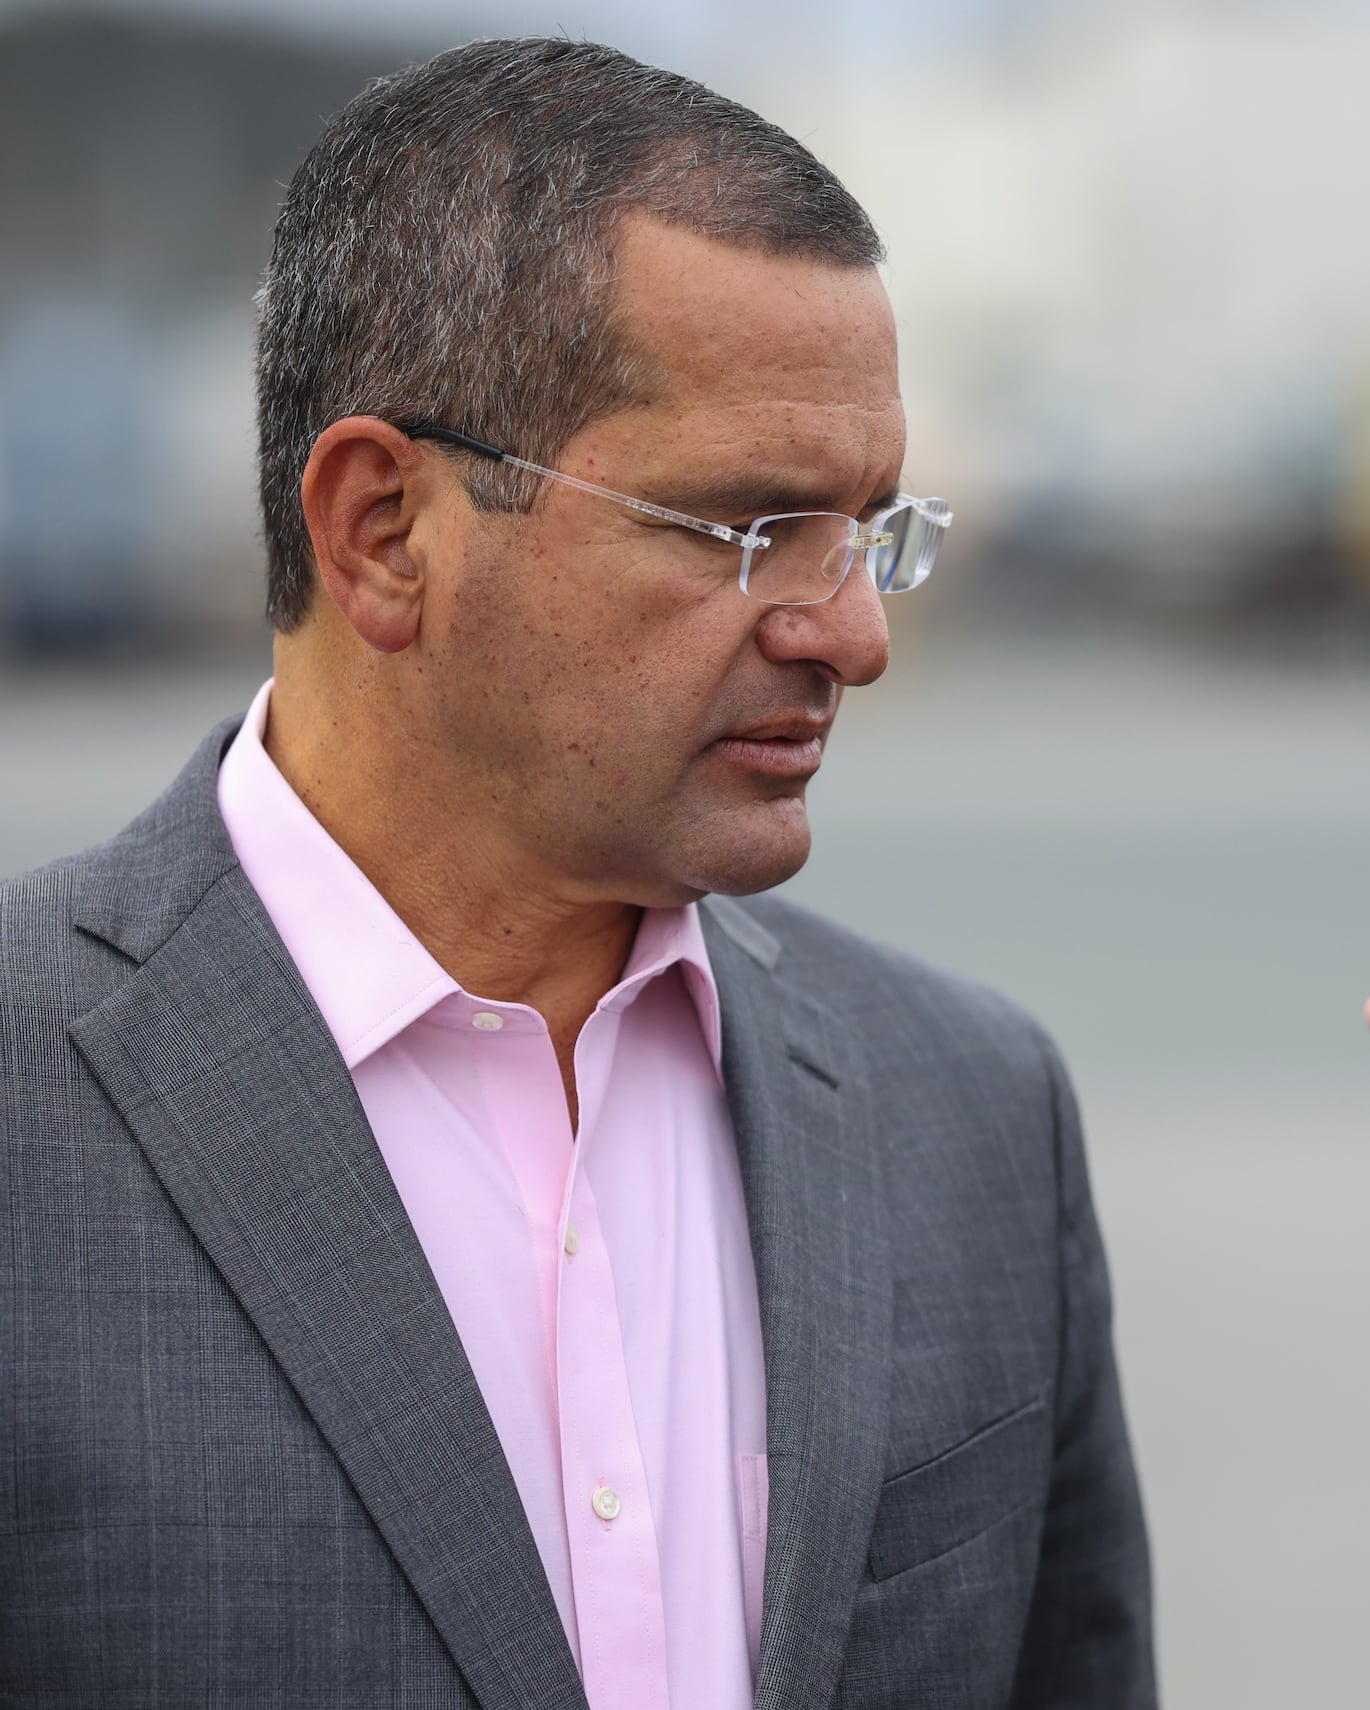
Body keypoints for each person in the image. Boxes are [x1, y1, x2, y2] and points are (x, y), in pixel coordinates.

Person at [0, 39, 1151, 1710]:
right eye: (750, 530)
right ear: (386, 528)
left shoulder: (971, 1112)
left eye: (875, 527)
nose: (854, 632)